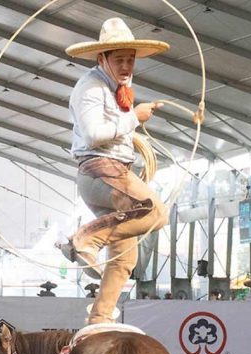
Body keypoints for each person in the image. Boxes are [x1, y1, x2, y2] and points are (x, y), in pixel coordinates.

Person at [56, 18, 170, 325]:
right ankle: (85, 240)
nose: (126, 66)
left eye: (130, 60)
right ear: (101, 58)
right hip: (100, 168)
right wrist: (135, 117)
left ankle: (100, 316)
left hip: (111, 170)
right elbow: (94, 135)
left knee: (124, 259)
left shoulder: (117, 86)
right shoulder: (91, 88)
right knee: (155, 212)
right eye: (119, 59)